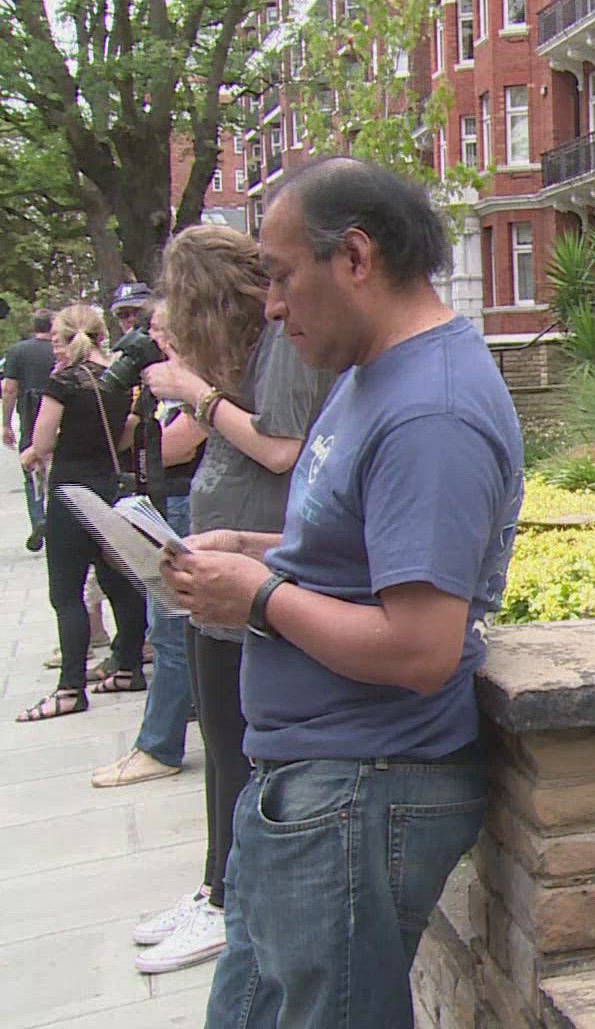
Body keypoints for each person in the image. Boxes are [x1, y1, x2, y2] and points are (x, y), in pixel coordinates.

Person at [161, 157, 523, 1026]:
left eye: (281, 276)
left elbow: (421, 648)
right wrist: (251, 549)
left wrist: (257, 596)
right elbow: (355, 551)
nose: (270, 305)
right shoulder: (371, 376)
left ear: (355, 258)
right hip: (313, 791)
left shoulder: (431, 412)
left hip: (359, 794)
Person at [128, 226, 338, 976]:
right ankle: (216, 885)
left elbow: (281, 448)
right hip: (223, 563)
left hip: (255, 569)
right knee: (219, 739)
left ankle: (228, 899)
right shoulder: (250, 351)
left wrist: (197, 393)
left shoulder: (283, 348)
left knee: (233, 740)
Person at [91, 298, 208, 788]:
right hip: (164, 502)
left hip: (183, 502)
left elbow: (174, 446)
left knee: (170, 628)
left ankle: (159, 745)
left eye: (162, 328)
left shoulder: (198, 379)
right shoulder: (167, 384)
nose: (154, 339)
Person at [14, 303, 148, 721]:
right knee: (117, 581)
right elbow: (123, 437)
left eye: (56, 338)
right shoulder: (118, 381)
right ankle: (128, 666)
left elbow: (42, 442)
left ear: (65, 338)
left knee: (66, 591)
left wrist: (33, 453)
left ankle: (70, 687)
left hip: (71, 491)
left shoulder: (64, 382)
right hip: (108, 488)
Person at [4, 309, 57, 550]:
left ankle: (39, 519)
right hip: (57, 415)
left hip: (29, 416)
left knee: (31, 470)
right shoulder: (60, 349)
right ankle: (58, 519)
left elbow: (9, 389)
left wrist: (6, 423)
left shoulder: (17, 351)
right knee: (58, 472)